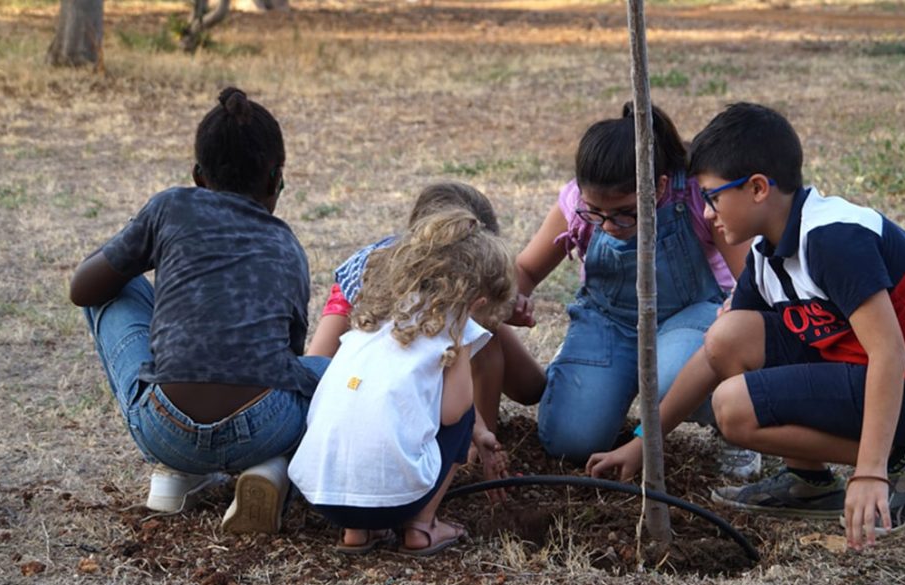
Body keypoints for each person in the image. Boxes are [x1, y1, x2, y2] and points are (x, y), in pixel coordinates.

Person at [587, 102, 905, 550]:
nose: (709, 214)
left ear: (757, 188)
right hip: (859, 368)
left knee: (733, 407)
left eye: (713, 197)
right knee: (727, 335)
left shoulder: (833, 239)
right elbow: (718, 353)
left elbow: (891, 352)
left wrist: (869, 470)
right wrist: (645, 442)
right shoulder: (766, 254)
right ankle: (808, 483)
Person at [69, 87, 328, 534]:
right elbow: (285, 358)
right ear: (275, 180)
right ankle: (271, 468)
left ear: (198, 175)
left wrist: (144, 252)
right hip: (264, 425)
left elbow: (82, 288)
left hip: (165, 428)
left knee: (114, 283)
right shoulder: (288, 245)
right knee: (324, 371)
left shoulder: (170, 207)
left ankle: (176, 474)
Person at [515, 102, 755, 472]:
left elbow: (750, 280)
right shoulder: (576, 203)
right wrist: (514, 296)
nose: (608, 225)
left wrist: (730, 318)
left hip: (689, 317)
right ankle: (594, 381)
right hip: (608, 321)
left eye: (626, 212)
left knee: (668, 379)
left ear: (657, 186)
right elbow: (525, 271)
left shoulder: (693, 196)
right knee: (569, 441)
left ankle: (729, 423)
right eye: (596, 213)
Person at [289, 206, 515, 555]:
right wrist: (461, 346)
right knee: (462, 413)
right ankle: (422, 528)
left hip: (322, 494)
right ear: (476, 302)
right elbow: (454, 414)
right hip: (394, 501)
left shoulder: (377, 316)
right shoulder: (453, 325)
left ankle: (358, 533)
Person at [305, 182, 542, 497]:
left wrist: (501, 309)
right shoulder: (372, 275)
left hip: (445, 319)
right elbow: (318, 365)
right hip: (375, 327)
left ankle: (480, 443)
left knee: (520, 375)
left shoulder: (469, 291)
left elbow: (530, 389)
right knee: (316, 379)